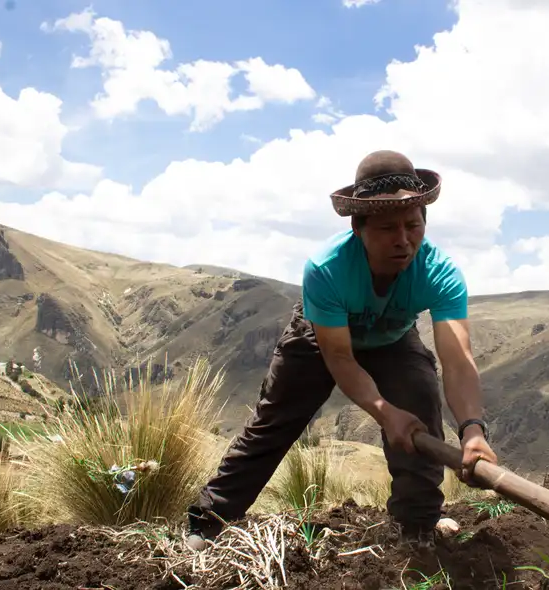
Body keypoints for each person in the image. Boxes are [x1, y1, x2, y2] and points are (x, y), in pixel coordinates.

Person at [185, 149, 498, 552]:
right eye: (387, 228)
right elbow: (340, 359)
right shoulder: (326, 268)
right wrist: (385, 414)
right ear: (359, 228)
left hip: (393, 339)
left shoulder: (440, 272)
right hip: (321, 338)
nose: (403, 240)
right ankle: (210, 521)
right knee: (275, 421)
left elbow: (457, 360)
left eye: (413, 225)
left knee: (419, 402)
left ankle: (418, 527)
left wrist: (472, 429)